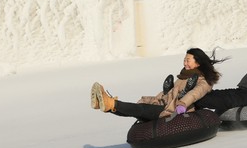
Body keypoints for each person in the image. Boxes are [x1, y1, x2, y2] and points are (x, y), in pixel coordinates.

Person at [91, 48, 224, 121]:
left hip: (174, 111)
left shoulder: (204, 80)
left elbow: (195, 93)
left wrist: (183, 104)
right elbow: (169, 95)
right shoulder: (183, 76)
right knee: (139, 108)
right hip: (165, 105)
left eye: (188, 60)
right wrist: (158, 98)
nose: (185, 63)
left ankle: (110, 103)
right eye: (184, 60)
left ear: (198, 62)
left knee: (140, 110)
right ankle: (105, 105)